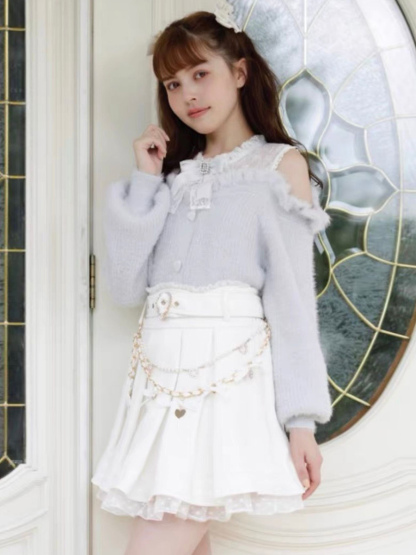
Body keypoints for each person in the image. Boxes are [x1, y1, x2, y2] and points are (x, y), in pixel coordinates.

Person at [91, 2, 333, 554]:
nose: (188, 95)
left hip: (224, 383)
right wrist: (146, 181)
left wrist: (301, 421)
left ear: (239, 73)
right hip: (159, 384)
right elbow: (127, 287)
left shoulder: (279, 167)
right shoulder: (173, 179)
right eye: (173, 84)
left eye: (200, 74)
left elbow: (292, 301)